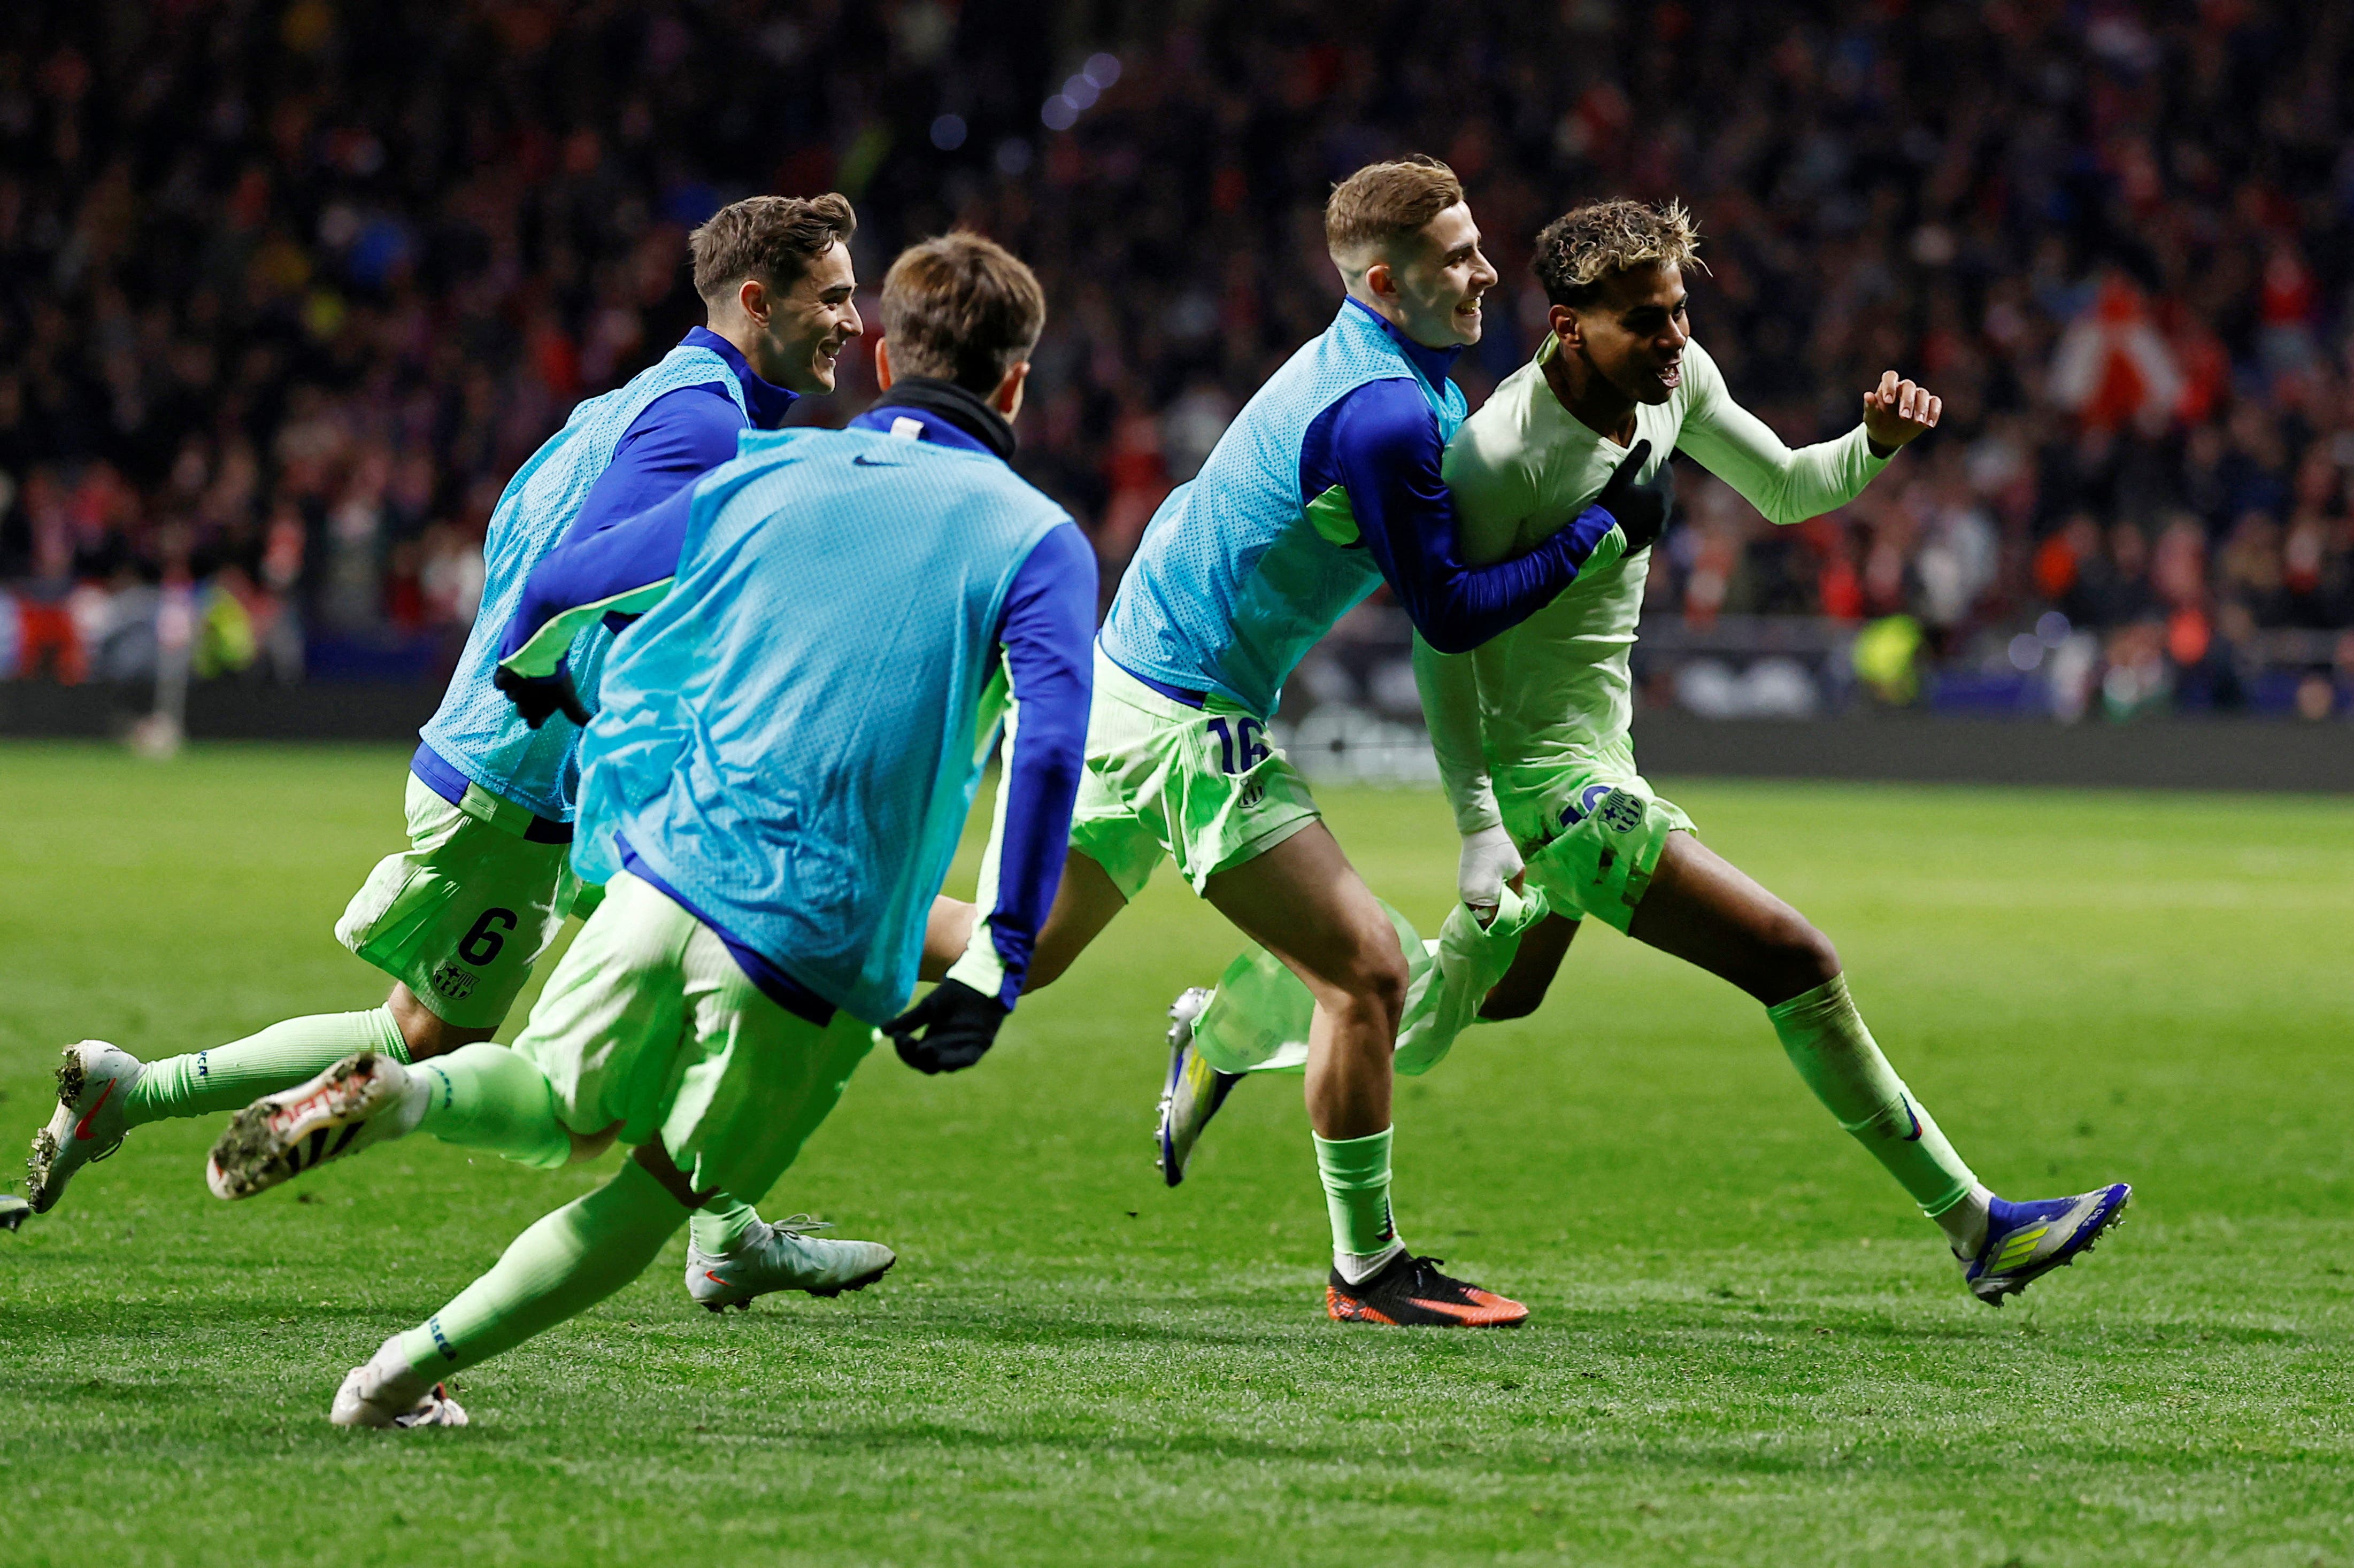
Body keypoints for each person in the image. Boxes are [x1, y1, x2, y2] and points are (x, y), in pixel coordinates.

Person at [1164, 198, 2131, 1307]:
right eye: (1645, 323)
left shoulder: (1675, 382)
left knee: (1451, 1014)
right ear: (1570, 326)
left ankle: (1228, 1025)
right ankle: (1978, 1228)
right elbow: (1444, 639)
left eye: (1678, 314)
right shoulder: (1501, 455)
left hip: (1603, 756)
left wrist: (1873, 445)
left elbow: (1782, 487)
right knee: (1793, 960)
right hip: (1554, 792)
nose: (1673, 342)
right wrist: (1478, 823)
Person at [203, 233, 1096, 1428]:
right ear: (1015, 382)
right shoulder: (1038, 540)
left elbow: (565, 581)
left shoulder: (767, 470)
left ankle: (403, 1098)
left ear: (884, 359)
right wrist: (1003, 961)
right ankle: (392, 1380)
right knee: (656, 1193)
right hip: (816, 934)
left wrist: (546, 685)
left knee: (550, 1103)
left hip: (661, 870)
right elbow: (1046, 749)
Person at [29, 194, 885, 1312]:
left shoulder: (619, 405)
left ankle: (128, 1095)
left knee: (457, 1023)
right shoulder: (703, 424)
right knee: (696, 973)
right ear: (758, 301)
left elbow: (517, 536)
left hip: (505, 763)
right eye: (832, 296)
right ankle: (716, 1235)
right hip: (530, 781)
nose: (852, 320)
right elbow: (572, 578)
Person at [917, 158, 1670, 1329]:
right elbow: (1450, 613)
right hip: (1184, 709)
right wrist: (1601, 532)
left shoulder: (1382, 371)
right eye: (1453, 261)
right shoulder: (1381, 414)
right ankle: (1366, 1270)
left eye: (1476, 246)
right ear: (1382, 283)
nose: (1482, 274)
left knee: (1016, 947)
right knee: (1367, 971)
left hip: (1128, 675)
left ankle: (809, 914)